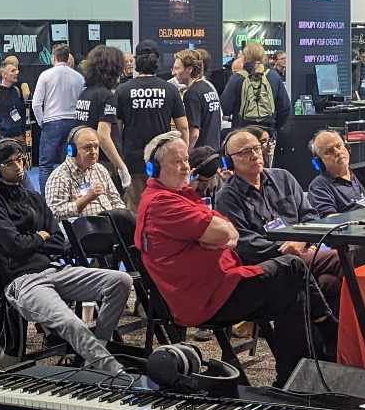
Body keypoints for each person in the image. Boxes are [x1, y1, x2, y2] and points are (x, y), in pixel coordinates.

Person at [135, 135, 319, 389]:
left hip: (223, 284)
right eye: (176, 162)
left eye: (186, 160)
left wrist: (219, 235)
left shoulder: (181, 195)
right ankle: (331, 340)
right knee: (292, 267)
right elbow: (225, 233)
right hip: (208, 298)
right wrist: (220, 235)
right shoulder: (162, 203)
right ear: (153, 170)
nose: (186, 167)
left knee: (294, 299)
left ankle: (293, 381)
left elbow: (230, 233)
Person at [0, 139, 132, 375]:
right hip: (22, 281)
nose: (18, 167)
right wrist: (40, 238)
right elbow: (15, 246)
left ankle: (95, 352)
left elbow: (59, 243)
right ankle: (114, 372)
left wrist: (35, 240)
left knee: (121, 281)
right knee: (71, 322)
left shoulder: (32, 198)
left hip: (53, 270)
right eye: (9, 163)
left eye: (20, 160)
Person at [214, 129, 341, 308]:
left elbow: (310, 215)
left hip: (302, 252)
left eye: (257, 149)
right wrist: (288, 249)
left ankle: (334, 331)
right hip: (268, 262)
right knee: (342, 259)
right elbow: (244, 243)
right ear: (228, 162)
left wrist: (303, 242)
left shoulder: (283, 178)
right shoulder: (226, 197)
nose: (255, 155)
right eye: (245, 152)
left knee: (327, 281)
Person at [116, 45, 185, 211]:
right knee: (164, 204)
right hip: (163, 157)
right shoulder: (170, 89)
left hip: (133, 157)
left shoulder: (122, 90)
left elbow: (117, 129)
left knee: (136, 206)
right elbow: (184, 127)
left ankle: (138, 236)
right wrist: (184, 155)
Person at [220, 43, 289, 161]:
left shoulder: (237, 78)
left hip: (242, 132)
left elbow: (225, 107)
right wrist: (273, 126)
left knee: (244, 168)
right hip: (267, 134)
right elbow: (285, 108)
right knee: (266, 170)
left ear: (244, 58)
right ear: (263, 57)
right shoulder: (273, 76)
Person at [73, 46, 129, 189]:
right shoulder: (107, 97)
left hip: (86, 160)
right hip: (105, 162)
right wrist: (122, 167)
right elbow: (103, 136)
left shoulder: (85, 93)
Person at [47, 127, 128, 222]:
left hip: (111, 225)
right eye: (88, 147)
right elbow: (55, 215)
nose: (93, 151)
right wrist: (86, 198)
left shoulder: (100, 169)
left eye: (96, 146)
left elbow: (116, 201)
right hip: (83, 230)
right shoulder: (59, 177)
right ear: (72, 150)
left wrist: (122, 218)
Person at [30, 46, 82, 172]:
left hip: (51, 122)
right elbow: (82, 102)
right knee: (70, 164)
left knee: (46, 165)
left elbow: (36, 103)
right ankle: (68, 191)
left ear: (53, 57)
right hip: (73, 122)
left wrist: (42, 122)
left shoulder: (45, 75)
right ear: (68, 57)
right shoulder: (79, 77)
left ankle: (46, 192)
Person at [303, 130, 365, 219]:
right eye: (329, 151)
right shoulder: (319, 186)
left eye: (339, 146)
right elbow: (330, 219)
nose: (338, 152)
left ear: (347, 147)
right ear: (319, 161)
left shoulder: (363, 173)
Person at [174, 49, 222, 152]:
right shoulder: (208, 88)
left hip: (200, 154)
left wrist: (185, 153)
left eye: (177, 68)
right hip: (214, 150)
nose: (174, 73)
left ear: (189, 69)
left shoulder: (191, 94)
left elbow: (194, 133)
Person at [0, 56, 31, 148]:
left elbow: (22, 113)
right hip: (2, 138)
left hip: (18, 137)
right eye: (13, 71)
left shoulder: (17, 91)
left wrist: (22, 132)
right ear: (4, 75)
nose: (17, 72)